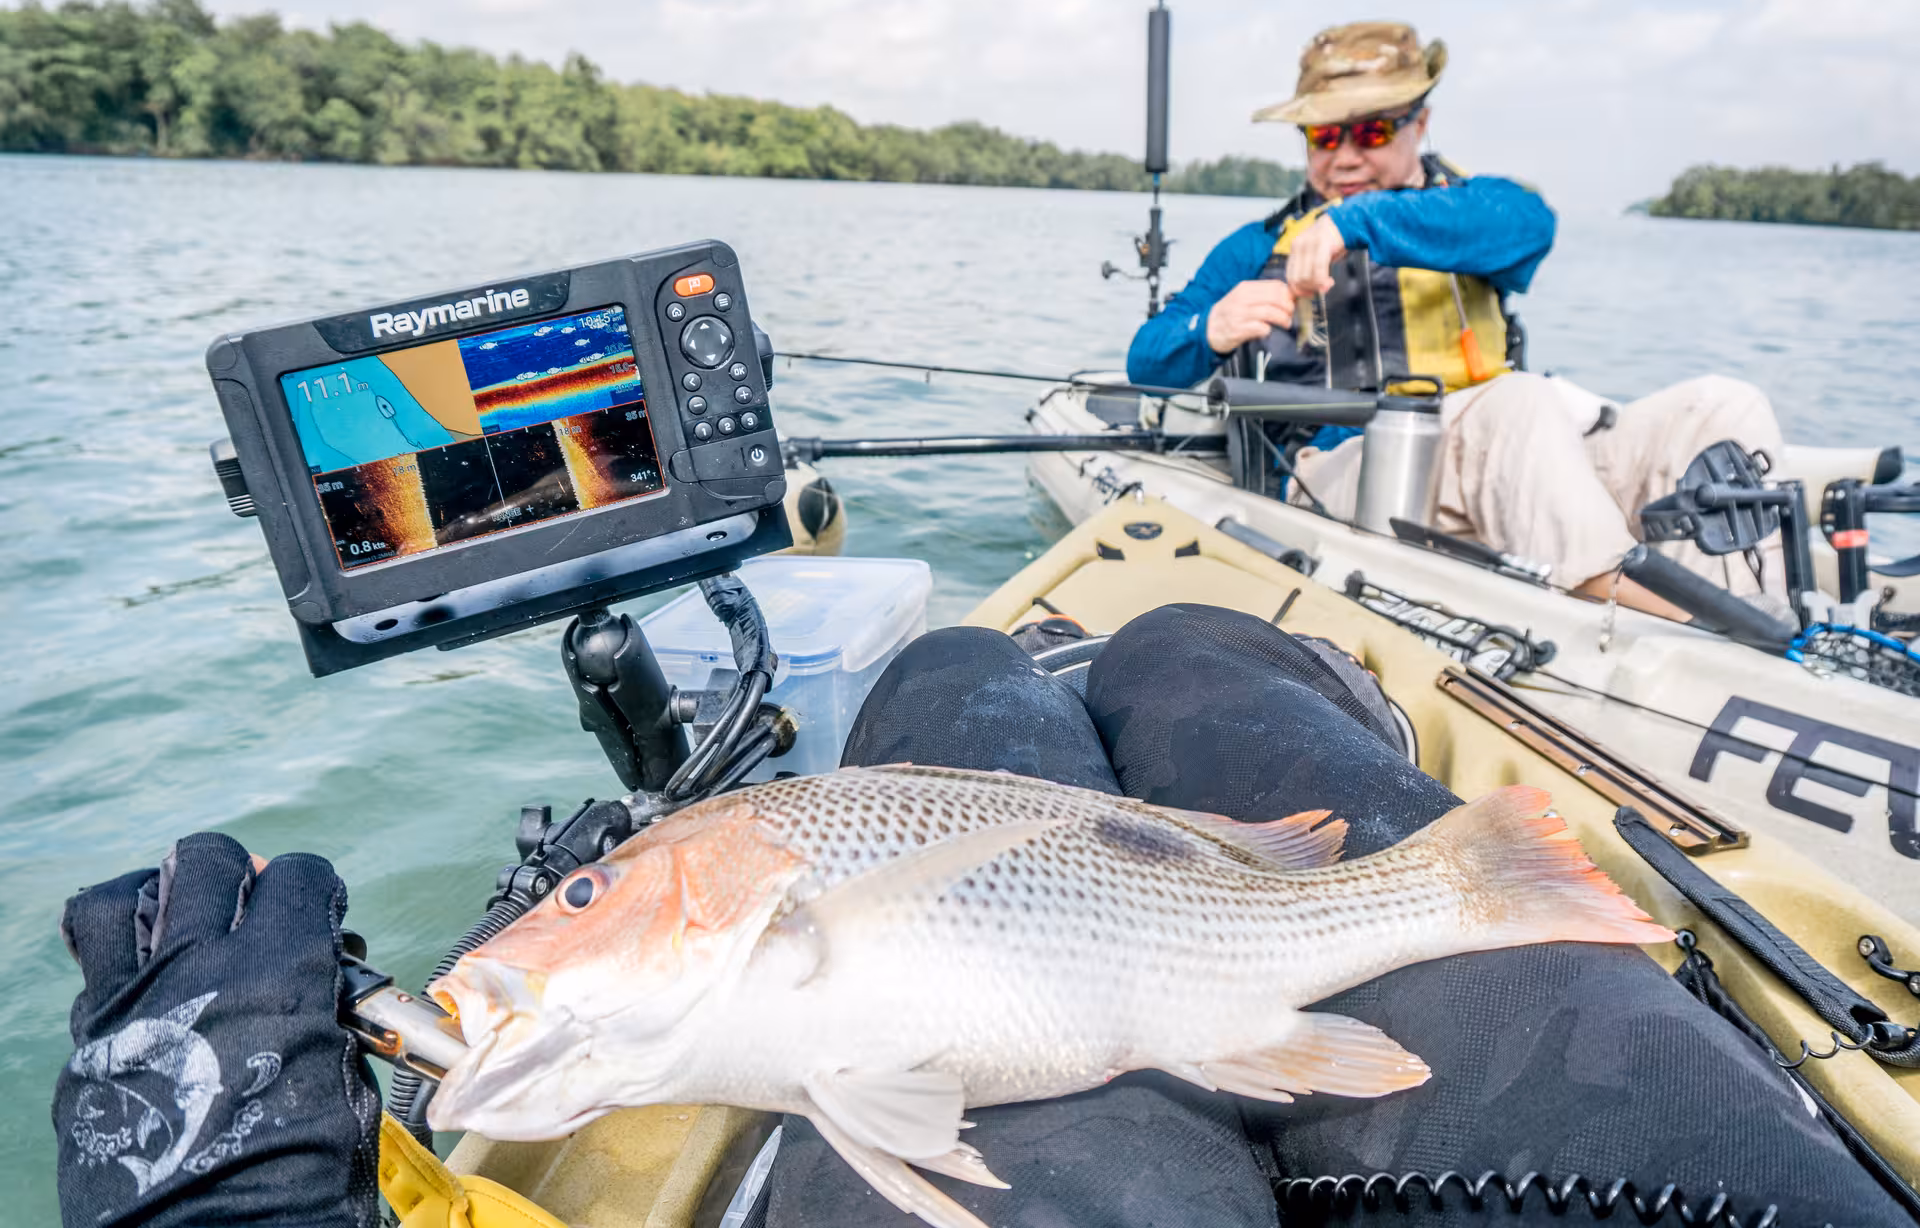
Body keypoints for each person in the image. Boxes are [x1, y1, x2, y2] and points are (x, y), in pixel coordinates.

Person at [53, 610, 1908, 1226]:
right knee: (1166, 657)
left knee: (953, 687)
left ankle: (1405, 854)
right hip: (1667, 1156)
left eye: (605, 886)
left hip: (1175, 959)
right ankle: (1365, 792)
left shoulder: (752, 888)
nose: (568, 906)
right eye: (592, 886)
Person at [1127, 21, 1787, 618]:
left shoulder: (1475, 211)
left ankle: (1749, 620)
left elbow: (1531, 226)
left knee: (1723, 405)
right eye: (1326, 136)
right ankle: (1631, 621)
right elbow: (1147, 360)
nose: (1347, 156)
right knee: (1519, 404)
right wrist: (1210, 326)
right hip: (1345, 472)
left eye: (1373, 130)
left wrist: (1349, 223)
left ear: (1421, 123)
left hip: (1508, 459)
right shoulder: (1254, 247)